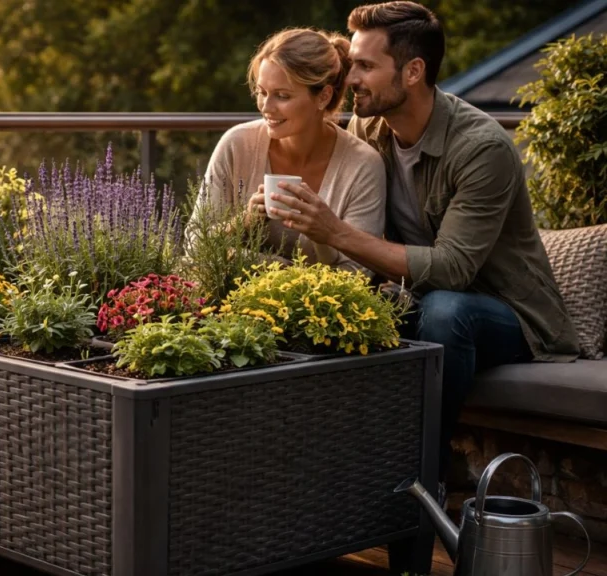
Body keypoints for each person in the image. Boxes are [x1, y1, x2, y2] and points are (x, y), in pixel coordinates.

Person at [265, 1, 581, 485]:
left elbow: (454, 268)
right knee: (337, 311)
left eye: (366, 67)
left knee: (445, 310)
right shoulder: (370, 129)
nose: (351, 80)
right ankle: (319, 479)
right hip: (424, 299)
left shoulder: (482, 148)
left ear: (413, 71)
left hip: (509, 315)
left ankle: (417, 480)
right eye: (351, 66)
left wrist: (334, 232)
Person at [189, 27, 386, 274]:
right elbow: (194, 245)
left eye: (282, 96)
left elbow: (358, 274)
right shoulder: (237, 144)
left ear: (323, 96)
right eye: (262, 92)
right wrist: (244, 222)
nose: (266, 107)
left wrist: (323, 233)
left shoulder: (363, 165)